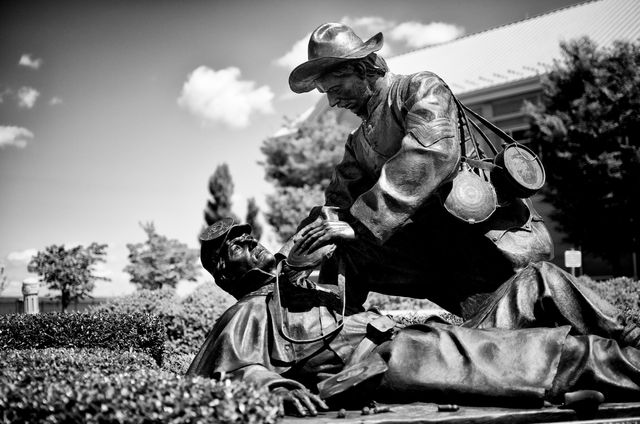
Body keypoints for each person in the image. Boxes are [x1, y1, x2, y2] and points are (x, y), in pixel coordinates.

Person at [187, 220, 640, 417]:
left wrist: (304, 268)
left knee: (538, 279)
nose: (255, 243)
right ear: (226, 272)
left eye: (251, 234)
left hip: (429, 346)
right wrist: (277, 388)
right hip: (397, 360)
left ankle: (632, 336)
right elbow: (230, 372)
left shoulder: (300, 289)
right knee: (564, 355)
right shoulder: (246, 311)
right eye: (240, 245)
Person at [287, 23, 555, 318]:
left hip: (483, 247)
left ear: (362, 68)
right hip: (433, 250)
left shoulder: (421, 89)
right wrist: (291, 253)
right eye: (326, 93)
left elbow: (431, 154)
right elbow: (337, 202)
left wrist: (360, 224)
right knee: (342, 248)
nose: (333, 102)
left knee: (515, 331)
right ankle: (329, 328)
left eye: (335, 89)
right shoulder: (359, 141)